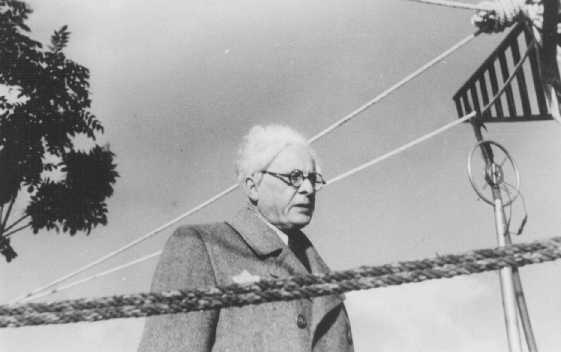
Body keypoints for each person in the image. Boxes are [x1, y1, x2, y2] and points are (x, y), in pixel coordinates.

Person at [138, 124, 354, 352]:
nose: (308, 188)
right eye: (294, 177)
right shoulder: (203, 248)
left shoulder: (328, 284)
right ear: (253, 187)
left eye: (312, 178)